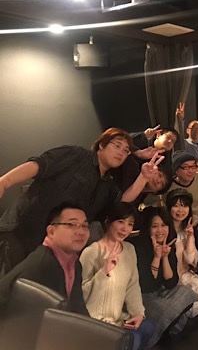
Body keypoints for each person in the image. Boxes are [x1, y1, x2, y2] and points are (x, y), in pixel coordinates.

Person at [0, 128, 163, 276]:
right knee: (5, 283)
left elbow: (120, 203)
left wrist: (143, 178)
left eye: (126, 151)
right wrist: (4, 182)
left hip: (50, 247)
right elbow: (40, 165)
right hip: (21, 230)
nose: (121, 153)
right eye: (117, 145)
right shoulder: (76, 155)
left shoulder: (108, 184)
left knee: (23, 290)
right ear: (102, 145)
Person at [80, 202, 155, 350]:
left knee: (148, 327)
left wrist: (138, 313)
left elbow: (132, 286)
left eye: (130, 224)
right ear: (108, 222)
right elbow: (83, 294)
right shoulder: (90, 253)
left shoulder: (129, 249)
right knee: (134, 339)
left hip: (117, 318)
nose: (125, 228)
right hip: (95, 320)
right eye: (121, 222)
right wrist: (104, 271)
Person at [0, 202, 90, 315]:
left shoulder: (75, 264)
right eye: (72, 225)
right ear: (51, 231)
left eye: (85, 226)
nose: (81, 232)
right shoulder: (42, 265)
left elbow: (78, 307)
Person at [129, 206, 198, 347]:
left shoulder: (169, 243)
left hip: (160, 290)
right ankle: (159, 337)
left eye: (164, 225)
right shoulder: (139, 246)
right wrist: (156, 257)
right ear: (148, 228)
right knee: (165, 309)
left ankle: (166, 332)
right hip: (141, 294)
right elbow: (148, 285)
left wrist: (165, 257)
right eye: (155, 226)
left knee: (186, 292)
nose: (160, 230)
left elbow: (171, 283)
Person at [165, 189, 198, 317]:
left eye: (184, 206)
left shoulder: (187, 229)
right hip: (169, 280)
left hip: (186, 275)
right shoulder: (163, 231)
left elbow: (190, 260)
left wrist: (190, 237)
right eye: (176, 206)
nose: (180, 210)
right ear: (169, 208)